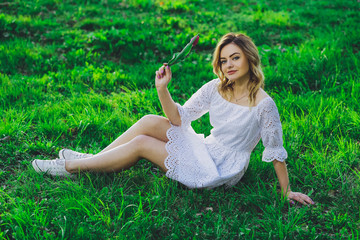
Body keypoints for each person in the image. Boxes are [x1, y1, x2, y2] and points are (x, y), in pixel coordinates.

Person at [32, 33, 314, 205]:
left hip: (221, 168)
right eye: (224, 60)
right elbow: (179, 118)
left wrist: (286, 191)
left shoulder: (265, 105)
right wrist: (162, 89)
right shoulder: (215, 88)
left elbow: (275, 151)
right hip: (206, 147)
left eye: (235, 58)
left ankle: (70, 167)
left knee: (142, 143)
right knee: (148, 121)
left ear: (249, 60)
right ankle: (92, 158)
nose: (228, 65)